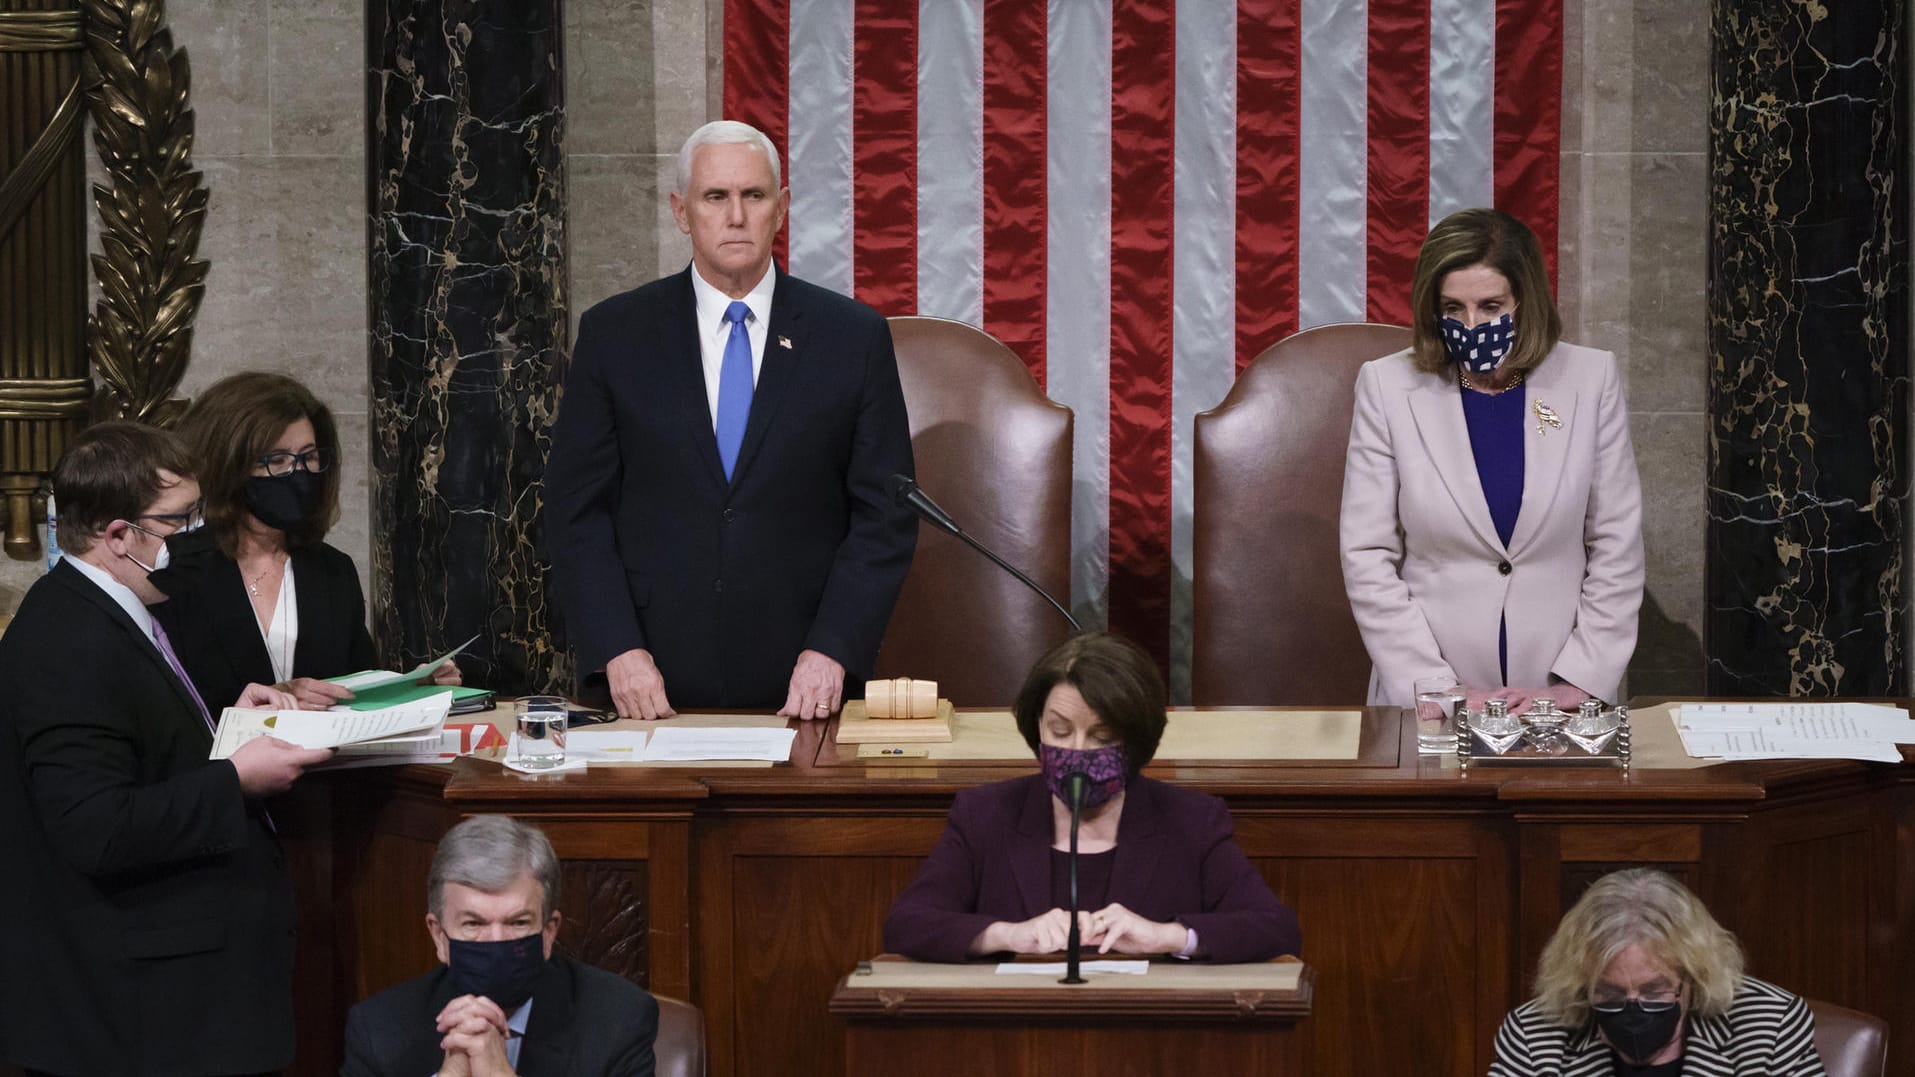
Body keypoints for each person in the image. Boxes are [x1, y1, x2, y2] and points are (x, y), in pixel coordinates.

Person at [544, 119, 916, 722]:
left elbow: (885, 516)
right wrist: (616, 647)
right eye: (716, 197)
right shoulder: (616, 335)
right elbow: (575, 510)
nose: (736, 215)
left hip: (804, 689)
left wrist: (833, 647)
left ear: (782, 208)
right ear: (682, 212)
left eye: (754, 195)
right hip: (648, 688)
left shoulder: (852, 338)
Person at [0, 421, 327, 1076]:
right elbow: (97, 826)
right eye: (180, 520)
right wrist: (235, 777)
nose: (198, 534)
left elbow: (139, 746)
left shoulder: (111, 608)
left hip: (169, 1009)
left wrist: (226, 721)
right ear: (119, 534)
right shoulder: (68, 638)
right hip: (138, 1023)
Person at [1340, 208, 1644, 711]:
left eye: (1490, 304)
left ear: (1524, 299)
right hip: (1429, 697)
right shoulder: (1387, 386)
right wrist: (1431, 685)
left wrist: (1582, 679)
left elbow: (1617, 541)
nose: (1472, 323)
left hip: (1557, 693)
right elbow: (1366, 555)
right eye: (1453, 307)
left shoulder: (1589, 379)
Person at [883, 632, 1301, 963]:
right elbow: (908, 924)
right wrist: (1007, 934)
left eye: (1101, 736)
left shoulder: (1191, 820)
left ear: (1136, 742)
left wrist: (1166, 936)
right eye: (1060, 732)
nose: (1078, 753)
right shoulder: (985, 815)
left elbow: (1275, 928)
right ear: (1036, 729)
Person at [153, 372, 457, 710]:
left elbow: (355, 688)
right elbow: (162, 713)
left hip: (325, 761)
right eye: (277, 460)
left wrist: (410, 689)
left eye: (308, 457)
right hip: (228, 760)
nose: (298, 474)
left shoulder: (332, 570)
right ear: (228, 466)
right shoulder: (179, 572)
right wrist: (277, 698)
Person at [342, 815, 659, 1077]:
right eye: (474, 924)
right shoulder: (380, 1030)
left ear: (549, 932)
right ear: (439, 936)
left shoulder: (619, 1020)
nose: (496, 941)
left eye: (518, 922)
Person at [1490, 868, 1825, 1076]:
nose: (1633, 1010)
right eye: (1610, 994)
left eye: (1655, 992)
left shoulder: (1769, 1027)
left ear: (1695, 976)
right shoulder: (1535, 1038)